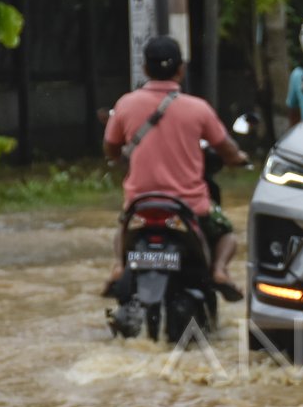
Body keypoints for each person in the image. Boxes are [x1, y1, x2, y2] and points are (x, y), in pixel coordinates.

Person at [103, 36, 248, 301]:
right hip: (189, 206)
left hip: (140, 205)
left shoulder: (125, 104)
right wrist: (238, 158)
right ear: (181, 69)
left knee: (122, 228)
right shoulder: (198, 108)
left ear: (145, 69)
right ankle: (219, 270)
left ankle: (119, 267)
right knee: (226, 232)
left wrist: (120, 155)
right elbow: (226, 147)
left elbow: (110, 148)